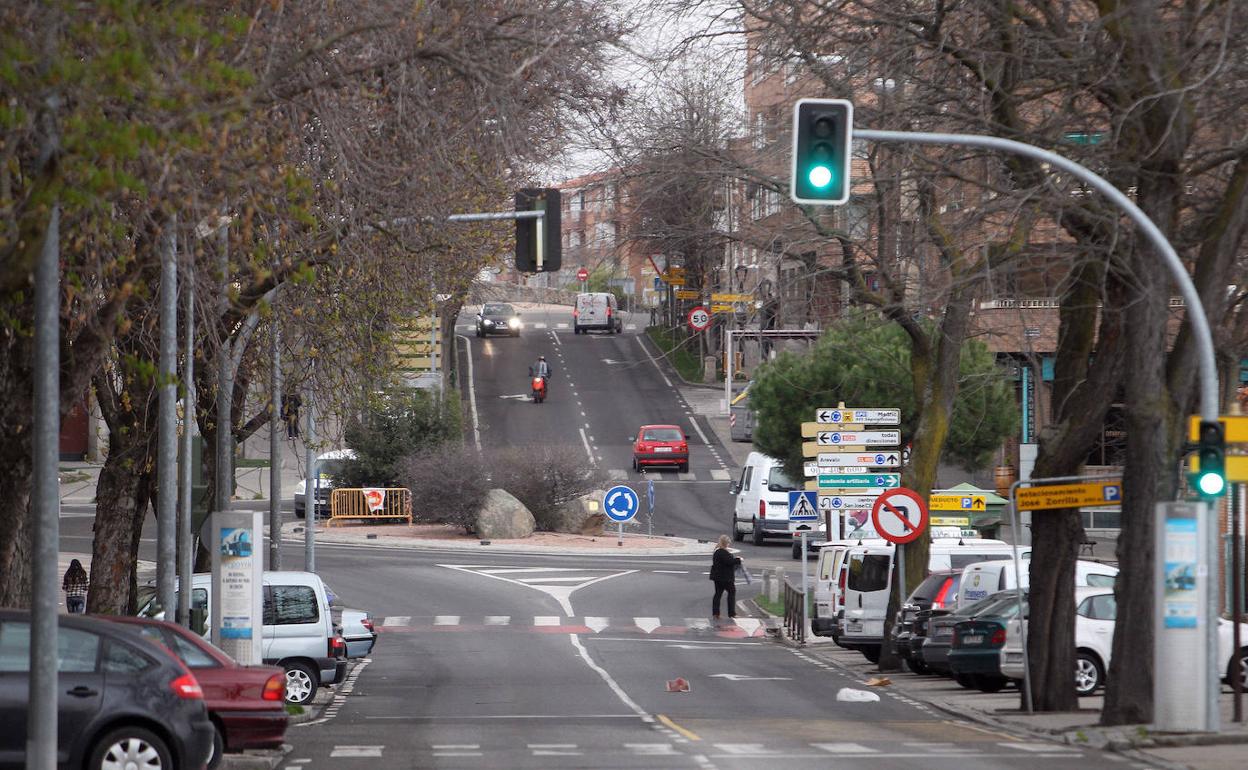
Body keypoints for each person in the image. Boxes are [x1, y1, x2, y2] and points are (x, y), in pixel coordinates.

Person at [710, 535, 742, 620]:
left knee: (718, 594)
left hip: (717, 577)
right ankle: (732, 613)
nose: (729, 544)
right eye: (728, 543)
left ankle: (716, 613)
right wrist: (739, 560)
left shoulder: (716, 551)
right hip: (725, 577)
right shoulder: (723, 552)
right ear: (726, 543)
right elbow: (730, 562)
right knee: (732, 592)